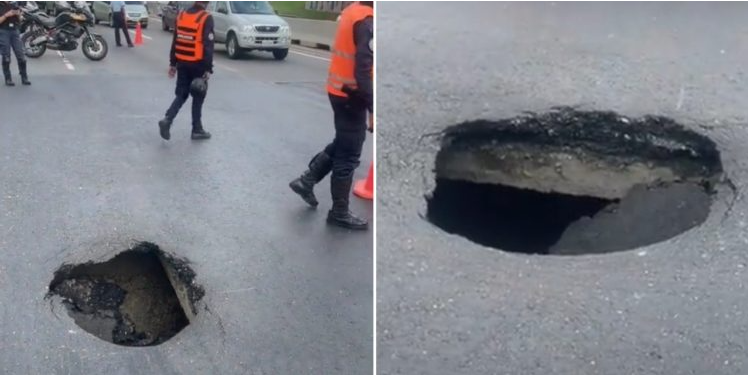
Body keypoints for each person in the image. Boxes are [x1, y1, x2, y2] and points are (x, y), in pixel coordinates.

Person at [289, 1, 373, 230]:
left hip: (340, 91)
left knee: (342, 143)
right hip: (352, 96)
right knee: (349, 154)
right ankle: (339, 212)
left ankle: (306, 181)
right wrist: (374, 107)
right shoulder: (367, 21)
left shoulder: (352, 11)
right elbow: (363, 69)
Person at [158, 1, 213, 141]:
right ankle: (197, 129)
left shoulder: (182, 15)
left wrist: (173, 63)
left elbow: (175, 40)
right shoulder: (206, 18)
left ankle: (167, 119)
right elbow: (207, 45)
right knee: (198, 94)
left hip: (182, 61)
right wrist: (208, 68)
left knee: (182, 95)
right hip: (198, 64)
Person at [0, 1, 30, 86]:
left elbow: (20, 20)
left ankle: (24, 77)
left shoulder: (15, 4)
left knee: (21, 55)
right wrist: (6, 15)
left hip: (14, 31)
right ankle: (8, 78)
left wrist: (18, 14)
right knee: (6, 56)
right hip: (3, 31)